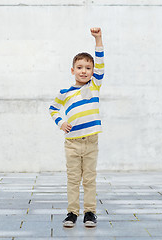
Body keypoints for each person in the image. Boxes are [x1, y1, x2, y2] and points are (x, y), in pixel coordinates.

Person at [49, 27, 104, 228]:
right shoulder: (65, 92)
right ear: (73, 70)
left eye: (88, 68)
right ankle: (72, 212)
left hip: (90, 142)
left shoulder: (94, 86)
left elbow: (100, 62)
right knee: (73, 179)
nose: (84, 71)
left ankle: (90, 213)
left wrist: (98, 39)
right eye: (80, 67)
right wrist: (61, 122)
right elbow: (53, 108)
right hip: (72, 143)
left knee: (89, 179)